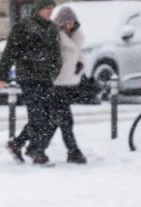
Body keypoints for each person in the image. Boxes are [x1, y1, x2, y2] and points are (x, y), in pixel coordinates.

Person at [0, 0, 62, 165]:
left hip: (46, 78)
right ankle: (36, 151)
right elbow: (10, 51)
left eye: (52, 9)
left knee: (51, 117)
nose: (50, 12)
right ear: (38, 9)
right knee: (38, 116)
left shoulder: (52, 28)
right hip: (29, 77)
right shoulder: (24, 26)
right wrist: (2, 76)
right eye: (47, 9)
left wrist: (54, 71)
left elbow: (56, 54)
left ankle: (18, 144)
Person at [50, 5, 87, 164]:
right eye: (67, 22)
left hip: (69, 83)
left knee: (54, 121)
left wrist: (80, 64)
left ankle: (28, 146)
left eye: (72, 22)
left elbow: (79, 55)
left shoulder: (76, 37)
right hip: (57, 83)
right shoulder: (56, 37)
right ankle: (73, 151)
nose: (70, 25)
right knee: (65, 120)